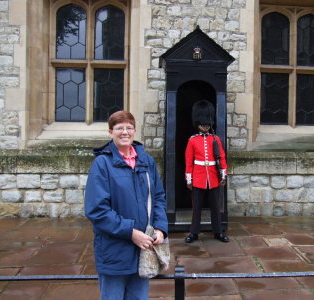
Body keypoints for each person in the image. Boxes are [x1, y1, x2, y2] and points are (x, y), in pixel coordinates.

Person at [84, 110, 168, 300]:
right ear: (110, 132)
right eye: (119, 128)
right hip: (114, 250)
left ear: (134, 131)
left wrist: (161, 228)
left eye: (129, 128)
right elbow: (97, 210)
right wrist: (131, 232)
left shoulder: (146, 161)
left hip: (144, 249)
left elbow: (159, 198)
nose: (125, 132)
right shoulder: (102, 164)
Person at [184, 100, 229, 243]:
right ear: (198, 123)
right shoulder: (192, 140)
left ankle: (218, 232)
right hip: (198, 177)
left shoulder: (215, 139)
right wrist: (189, 179)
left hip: (213, 177)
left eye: (207, 123)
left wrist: (223, 175)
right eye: (203, 123)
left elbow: (221, 157)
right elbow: (188, 161)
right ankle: (194, 233)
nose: (205, 125)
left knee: (215, 207)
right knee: (196, 207)